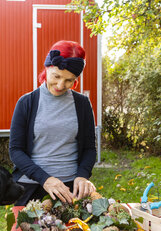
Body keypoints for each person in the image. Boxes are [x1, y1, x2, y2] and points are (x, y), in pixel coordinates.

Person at [9, 40, 96, 206]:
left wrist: (82, 175)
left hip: (70, 189)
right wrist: (46, 179)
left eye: (69, 80)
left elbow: (89, 149)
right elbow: (16, 151)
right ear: (47, 68)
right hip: (32, 186)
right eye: (56, 76)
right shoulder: (26, 103)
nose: (60, 85)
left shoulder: (82, 104)